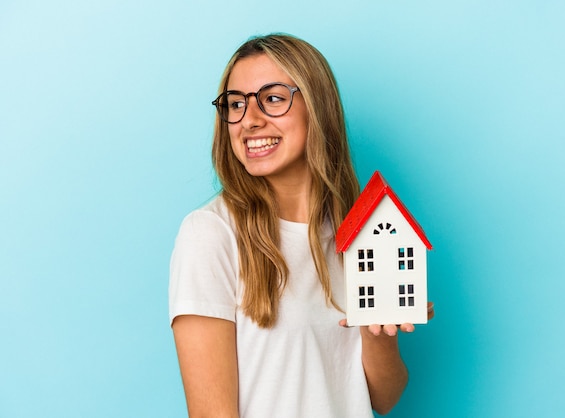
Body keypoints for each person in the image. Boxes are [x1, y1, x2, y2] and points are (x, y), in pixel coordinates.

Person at [169, 33, 434, 418]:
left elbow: (382, 398)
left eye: (273, 99)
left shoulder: (360, 233)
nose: (250, 120)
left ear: (318, 107)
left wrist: (380, 333)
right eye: (236, 105)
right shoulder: (210, 234)